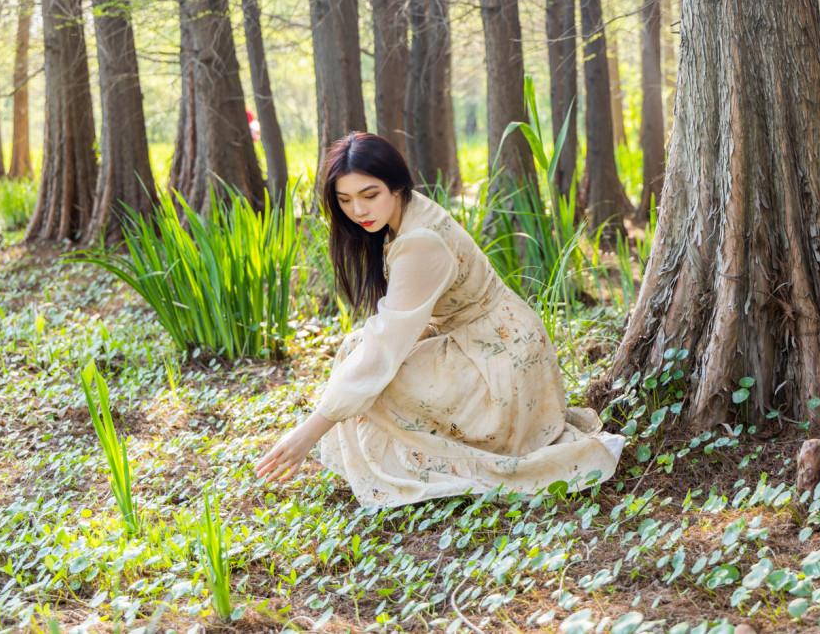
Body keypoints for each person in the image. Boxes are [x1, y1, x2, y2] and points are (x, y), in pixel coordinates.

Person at [253, 132, 624, 507]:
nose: (358, 211)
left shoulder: (420, 242)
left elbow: (384, 350)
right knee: (355, 350)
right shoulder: (406, 214)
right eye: (345, 200)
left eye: (370, 195)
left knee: (375, 382)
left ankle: (414, 466)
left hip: (497, 363)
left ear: (397, 186)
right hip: (487, 341)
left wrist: (310, 430)